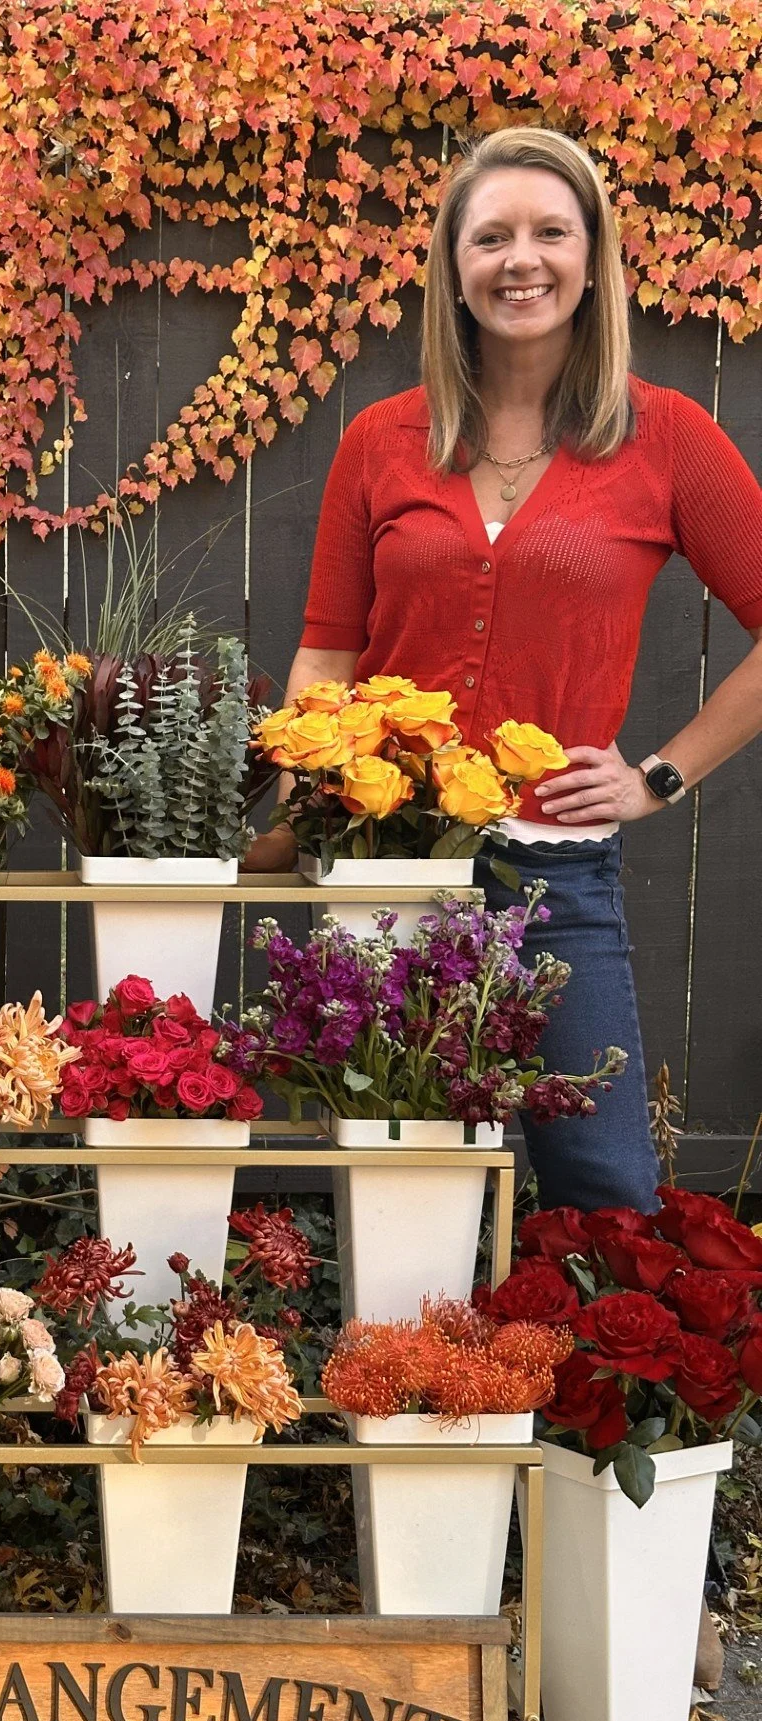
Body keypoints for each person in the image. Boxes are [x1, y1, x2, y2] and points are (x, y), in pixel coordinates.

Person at [246, 125, 762, 1216]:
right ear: (454, 269)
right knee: (404, 1185)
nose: (520, 259)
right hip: (386, 869)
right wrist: (292, 821)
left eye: (548, 233)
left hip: (554, 874)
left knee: (605, 1187)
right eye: (492, 238)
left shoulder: (665, 439)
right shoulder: (383, 442)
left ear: (592, 259)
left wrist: (658, 776)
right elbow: (329, 653)